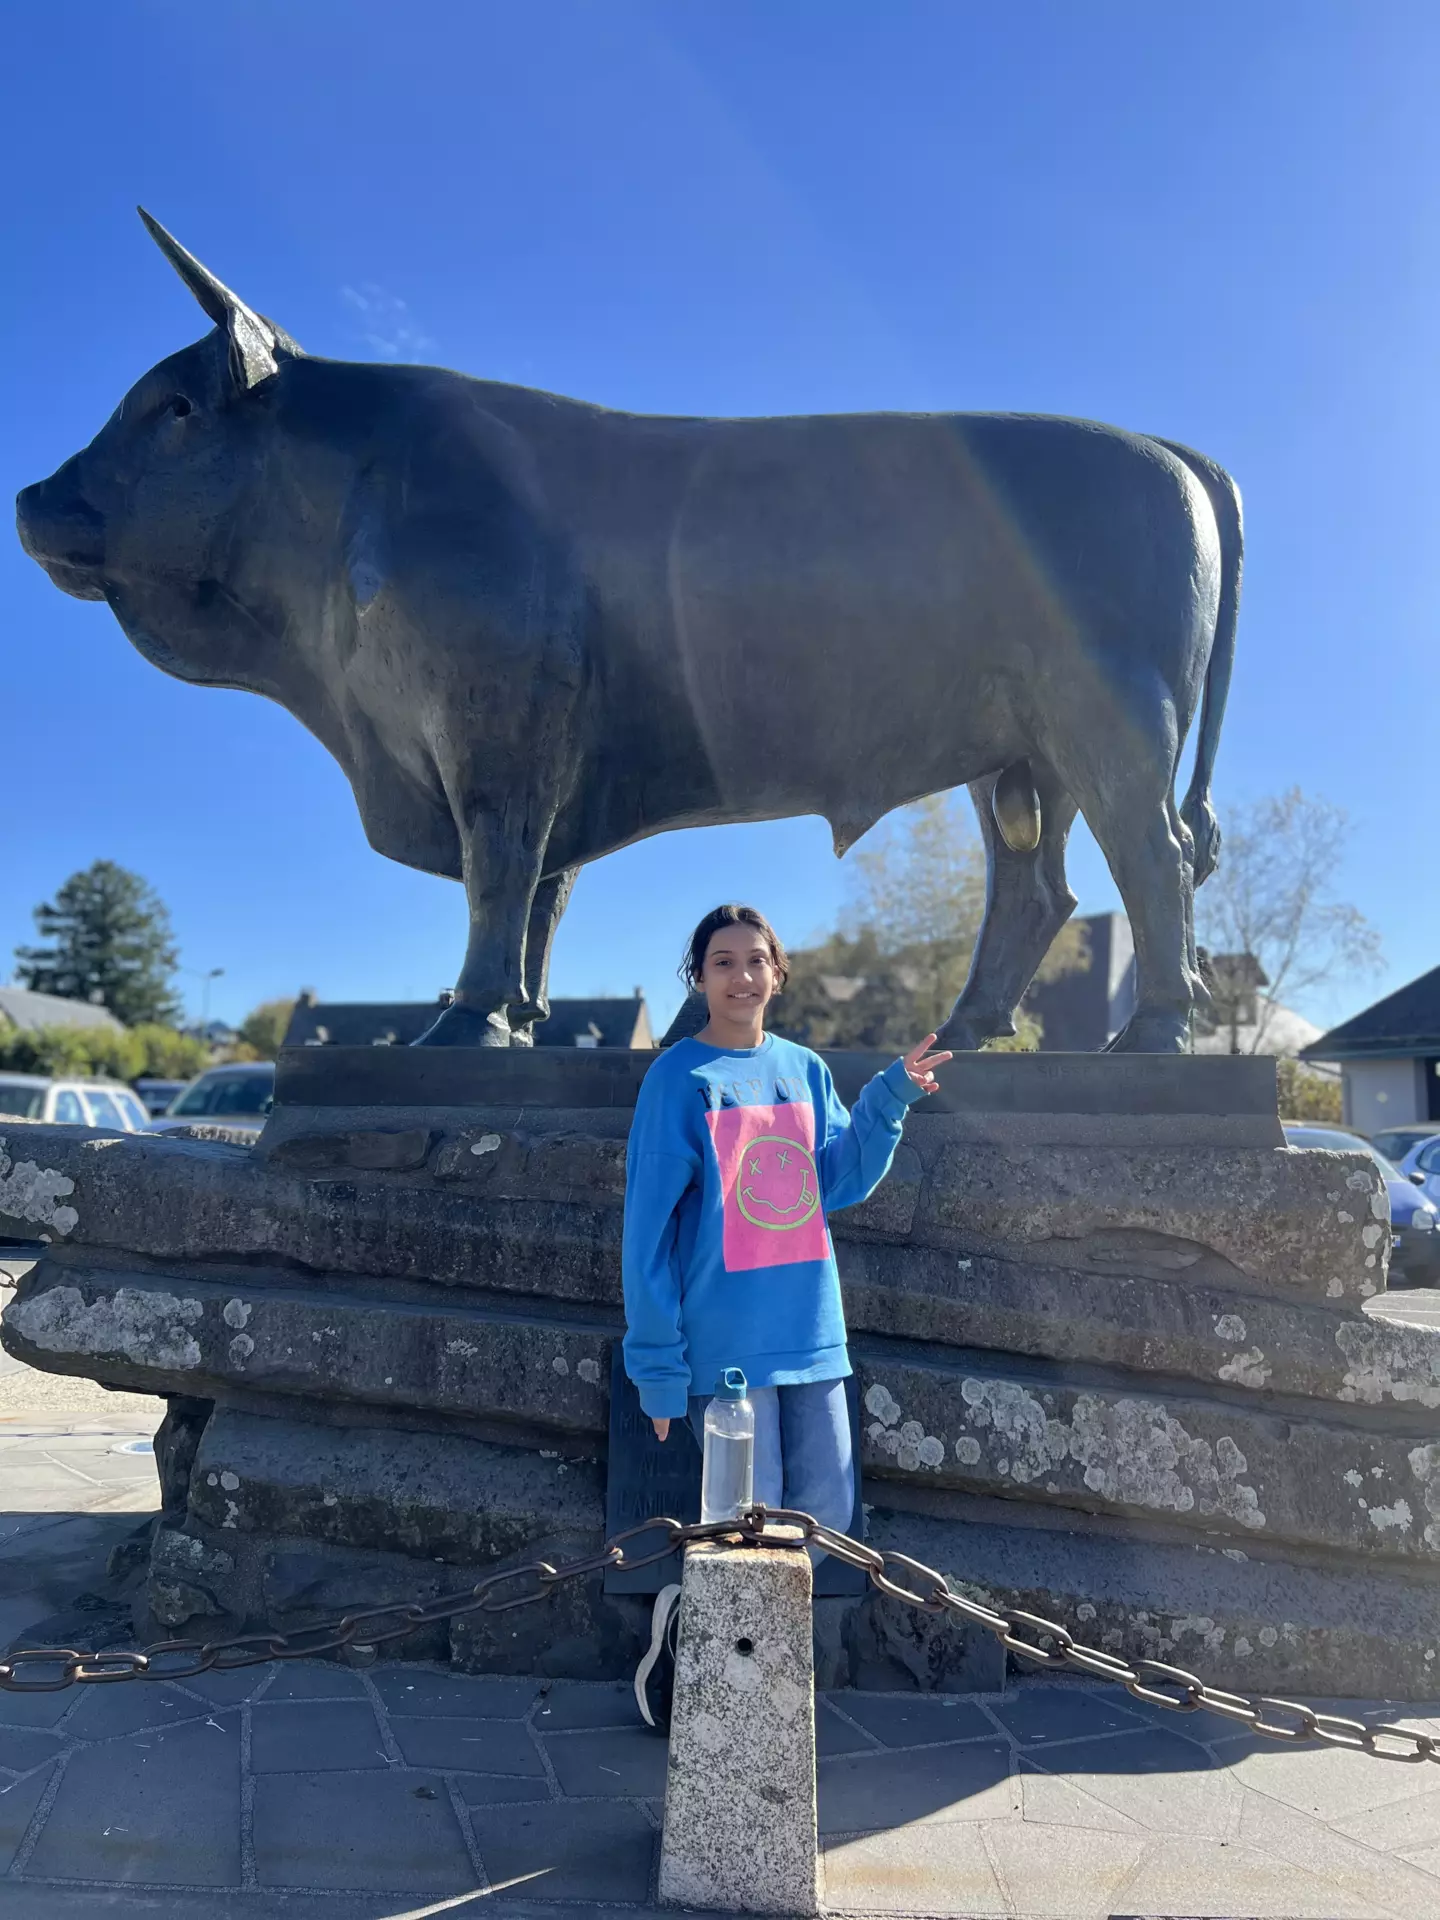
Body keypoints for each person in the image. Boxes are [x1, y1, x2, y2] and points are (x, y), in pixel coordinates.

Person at [622, 902, 950, 1727]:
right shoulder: (676, 1081)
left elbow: (834, 1182)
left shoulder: (804, 1070)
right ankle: (717, 1685)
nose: (741, 975)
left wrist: (889, 1097)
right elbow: (647, 1234)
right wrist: (658, 1369)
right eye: (722, 960)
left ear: (778, 973)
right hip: (725, 1352)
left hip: (812, 1338)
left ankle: (746, 1667)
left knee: (823, 1519)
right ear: (698, 976)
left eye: (756, 960)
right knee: (741, 1528)